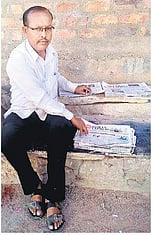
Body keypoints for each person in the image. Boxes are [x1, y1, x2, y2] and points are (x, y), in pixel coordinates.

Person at [1, 6, 91, 232]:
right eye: (38, 29)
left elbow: (55, 77)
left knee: (60, 129)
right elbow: (39, 98)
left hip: (49, 116)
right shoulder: (18, 59)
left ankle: (53, 197)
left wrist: (73, 87)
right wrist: (72, 116)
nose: (44, 34)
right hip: (25, 114)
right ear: (25, 30)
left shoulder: (51, 52)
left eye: (48, 28)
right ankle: (36, 187)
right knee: (6, 139)